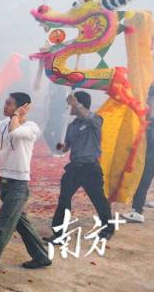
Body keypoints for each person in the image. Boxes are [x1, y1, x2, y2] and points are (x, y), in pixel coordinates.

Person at [0, 92, 51, 280]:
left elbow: (16, 131)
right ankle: (41, 257)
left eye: (9, 104)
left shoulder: (32, 127)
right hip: (5, 183)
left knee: (2, 226)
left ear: (23, 107)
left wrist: (17, 114)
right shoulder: (4, 124)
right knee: (22, 224)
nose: (4, 106)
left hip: (19, 185)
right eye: (5, 103)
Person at [44, 92, 114, 241]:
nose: (69, 107)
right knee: (64, 199)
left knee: (98, 199)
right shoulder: (71, 126)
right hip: (74, 168)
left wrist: (76, 104)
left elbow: (89, 117)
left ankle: (108, 229)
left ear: (79, 103)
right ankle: (59, 233)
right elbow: (66, 147)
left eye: (71, 104)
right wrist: (61, 146)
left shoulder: (96, 120)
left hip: (90, 168)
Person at [123, 85, 154, 222]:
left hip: (153, 152)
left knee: (143, 180)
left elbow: (153, 133)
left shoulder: (152, 110)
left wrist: (151, 109)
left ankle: (137, 211)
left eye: (150, 95)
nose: (148, 97)